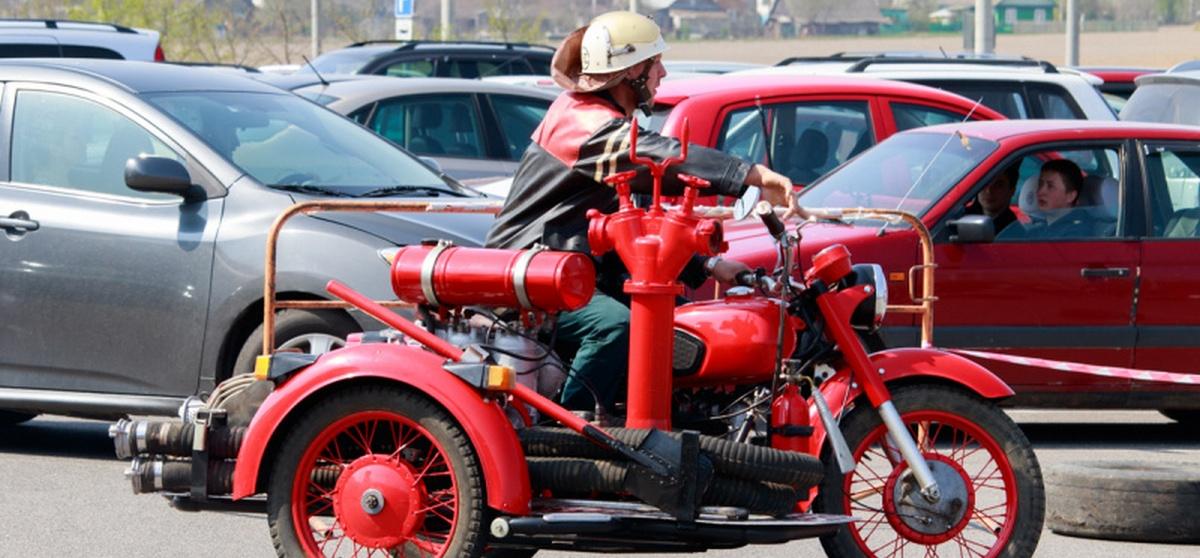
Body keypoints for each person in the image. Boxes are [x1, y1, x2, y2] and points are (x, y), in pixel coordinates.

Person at [484, 11, 797, 412]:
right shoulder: (583, 122)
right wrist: (751, 175)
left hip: (569, 273)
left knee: (684, 324)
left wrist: (708, 266)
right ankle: (569, 430)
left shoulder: (602, 122)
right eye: (655, 63)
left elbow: (633, 226)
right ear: (632, 70)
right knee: (617, 326)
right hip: (534, 277)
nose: (663, 73)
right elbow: (660, 158)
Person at [1000, 159, 1092, 240]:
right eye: (1040, 184)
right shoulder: (1039, 229)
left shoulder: (1076, 235)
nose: (1040, 192)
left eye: (1050, 186)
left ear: (1070, 196)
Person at [965, 163, 1019, 235]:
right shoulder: (962, 218)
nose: (989, 191)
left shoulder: (1013, 230)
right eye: (985, 183)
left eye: (998, 185)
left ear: (1012, 191)